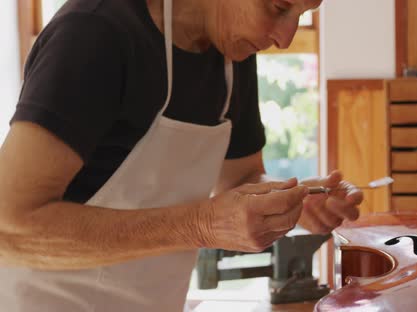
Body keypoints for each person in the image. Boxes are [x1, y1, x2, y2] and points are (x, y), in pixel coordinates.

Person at [0, 0, 363, 311]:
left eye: (304, 11)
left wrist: (290, 200)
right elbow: (8, 227)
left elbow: (241, 179)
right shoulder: (94, 34)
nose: (285, 39)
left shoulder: (232, 54)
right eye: (278, 6)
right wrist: (200, 225)